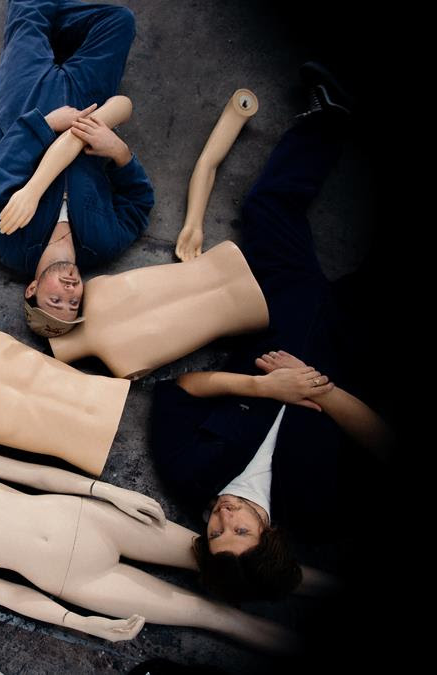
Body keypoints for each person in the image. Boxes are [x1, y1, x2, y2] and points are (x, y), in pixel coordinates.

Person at [149, 65, 391, 602]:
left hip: (275, 313)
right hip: (349, 344)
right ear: (271, 539)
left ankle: (328, 117)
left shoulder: (189, 475)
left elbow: (178, 391)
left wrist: (262, 387)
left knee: (266, 208)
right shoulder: (319, 512)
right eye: (240, 531)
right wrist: (320, 390)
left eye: (216, 533)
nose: (224, 517)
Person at [0, 447, 296, 652]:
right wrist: (80, 622)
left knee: (214, 551)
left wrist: (108, 491)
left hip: (88, 518)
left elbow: (36, 476)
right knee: (212, 616)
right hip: (79, 580)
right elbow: (9, 595)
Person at [0, 0, 155, 331]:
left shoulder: (10, 246)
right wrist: (117, 150)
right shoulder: (102, 245)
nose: (69, 293)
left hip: (26, 105)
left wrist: (46, 124)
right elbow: (139, 202)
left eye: (55, 300)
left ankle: (38, 33)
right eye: (74, 303)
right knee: (119, 21)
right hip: (87, 105)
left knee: (29, 16)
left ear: (32, 289)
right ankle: (51, 37)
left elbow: (0, 169)